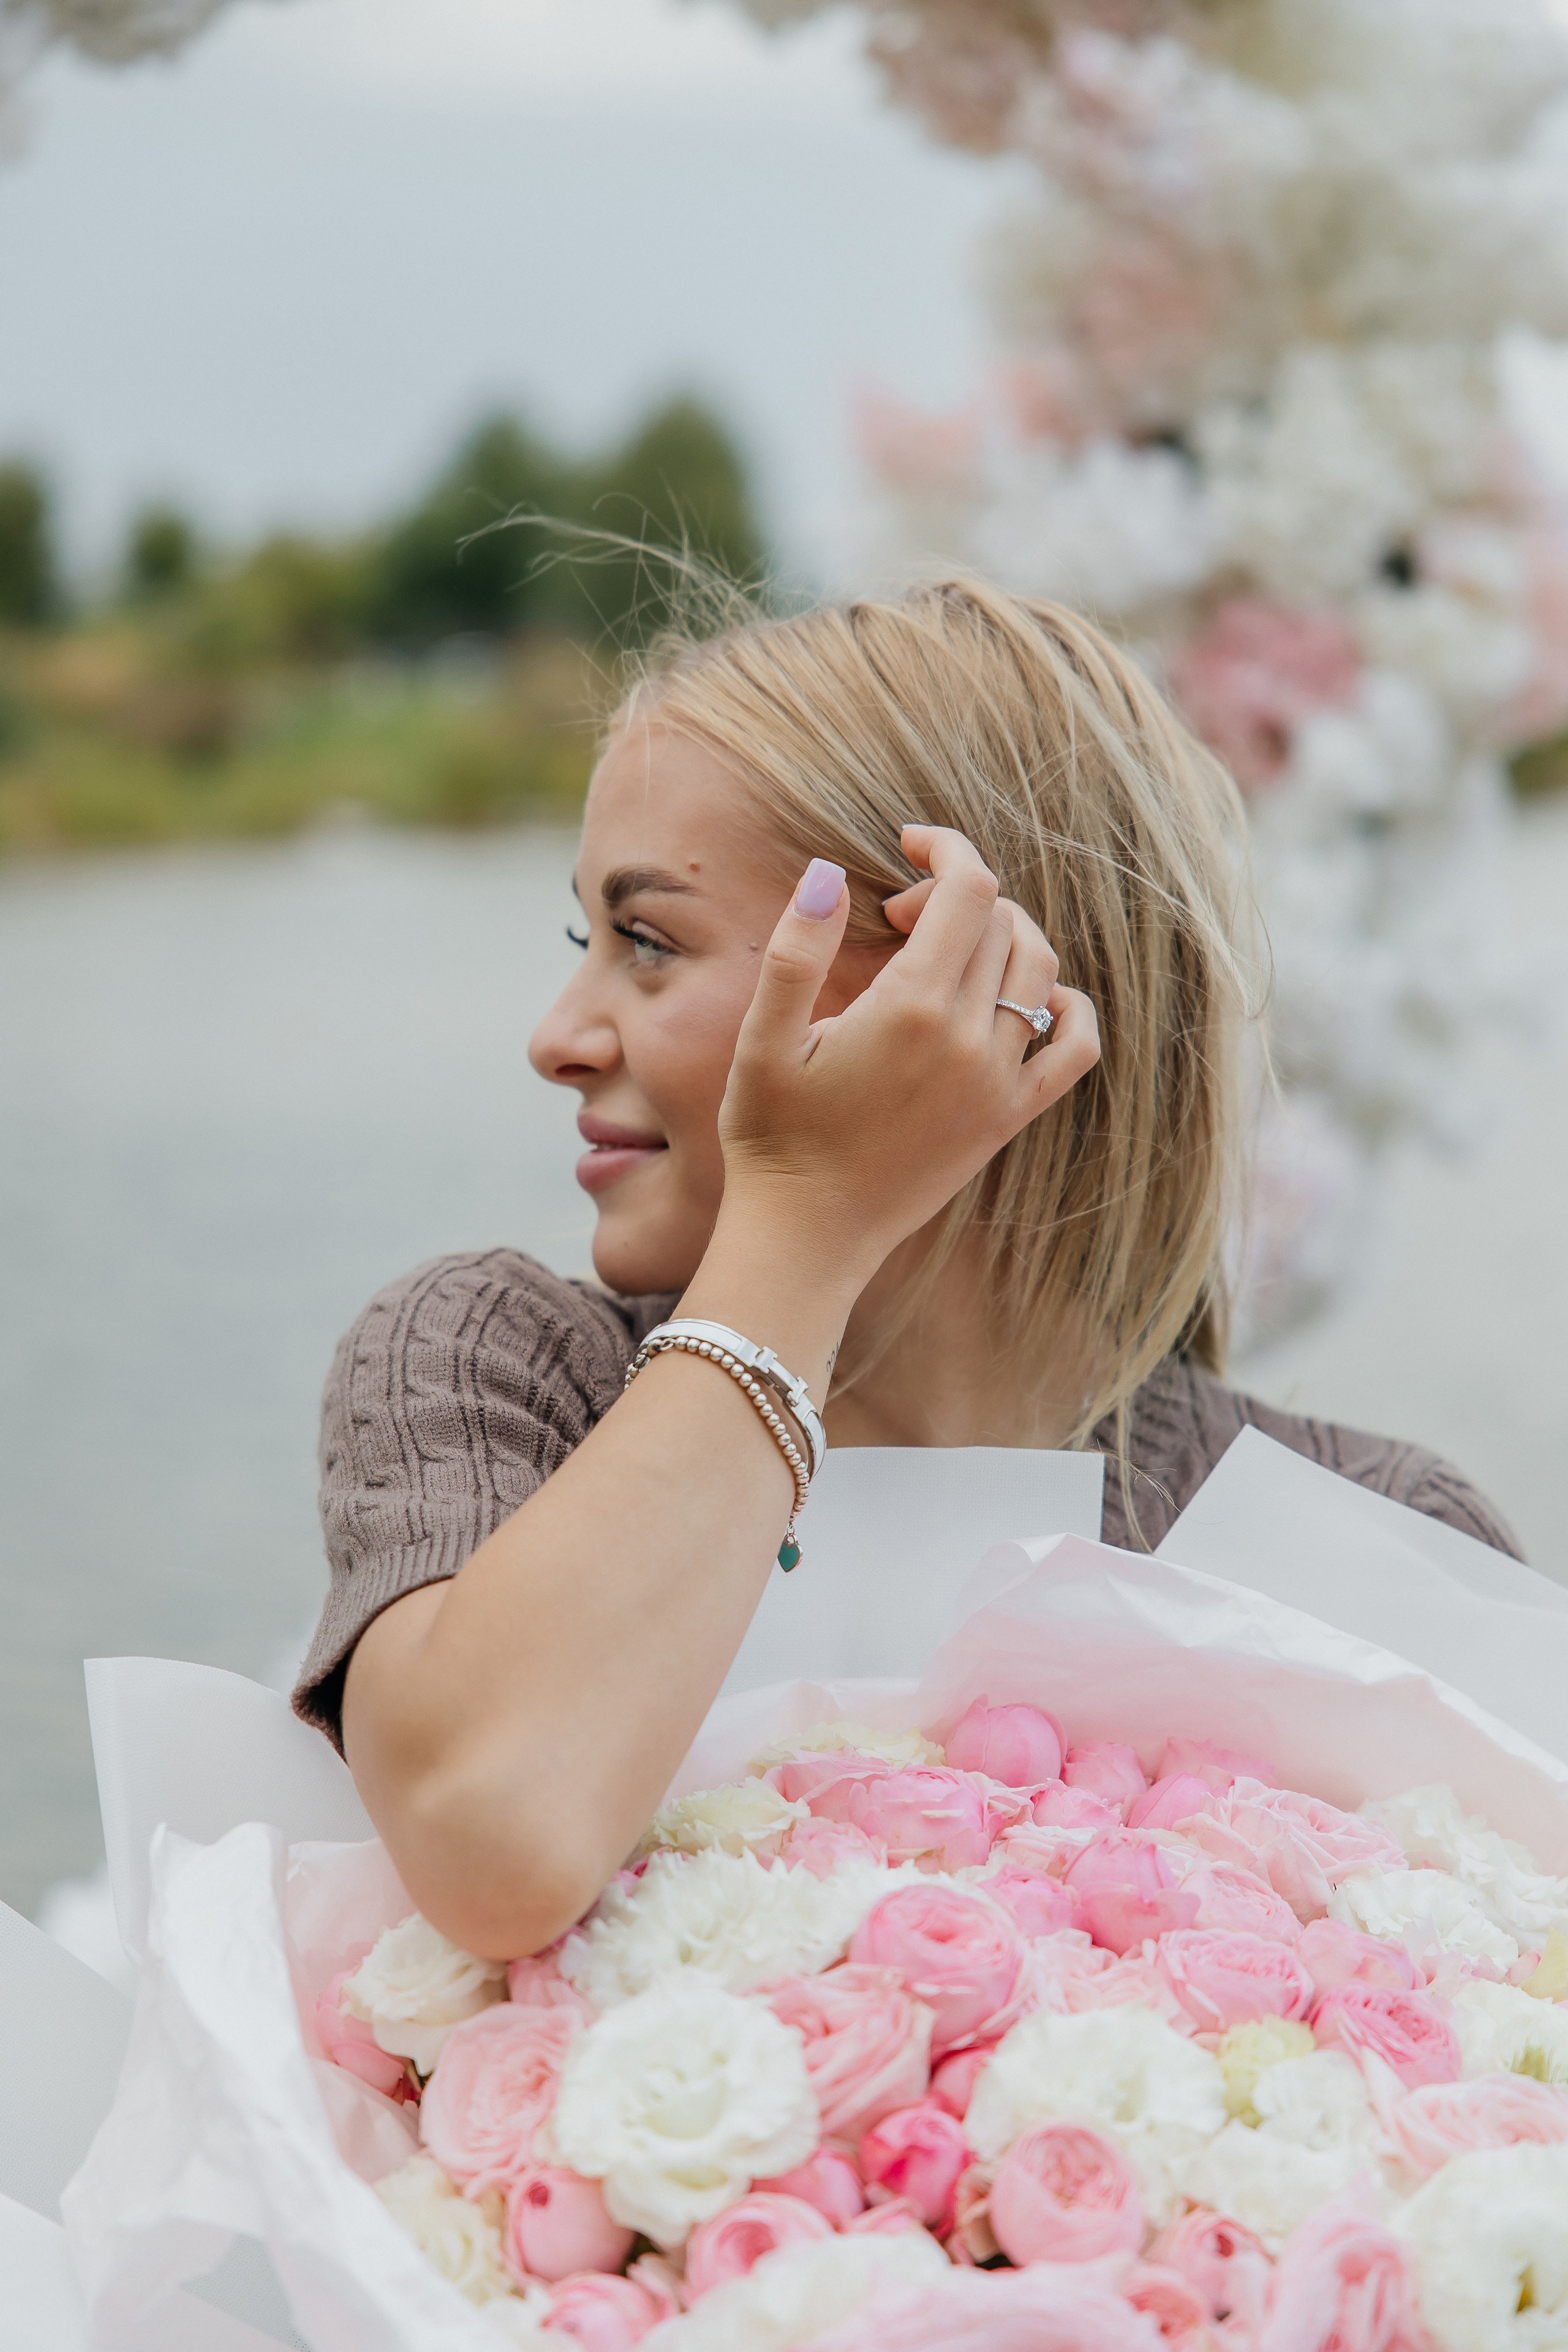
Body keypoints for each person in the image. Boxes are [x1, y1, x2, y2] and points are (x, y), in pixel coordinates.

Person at [291, 577, 1519, 1959]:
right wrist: (803, 1224)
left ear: (957, 975)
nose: (558, 1035)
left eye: (646, 942)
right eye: (591, 941)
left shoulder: (1367, 1531)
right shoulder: (497, 1369)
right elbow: (491, 1840)